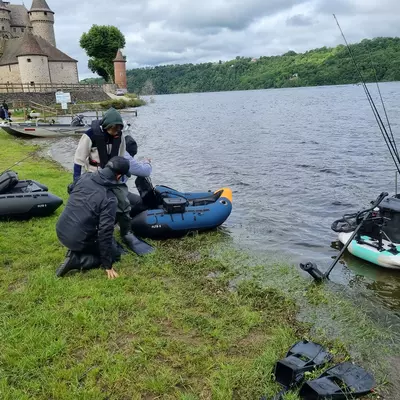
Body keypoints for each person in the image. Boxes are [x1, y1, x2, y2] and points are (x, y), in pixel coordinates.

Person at [71, 107, 153, 255]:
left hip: (112, 176)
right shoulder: (90, 136)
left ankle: (126, 233)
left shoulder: (119, 137)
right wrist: (76, 181)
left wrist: (123, 176)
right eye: (113, 129)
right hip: (93, 175)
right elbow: (78, 160)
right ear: (106, 126)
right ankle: (101, 236)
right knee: (99, 207)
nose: (116, 132)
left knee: (123, 202)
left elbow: (121, 159)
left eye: (118, 129)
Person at [55, 156, 131, 279]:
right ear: (118, 176)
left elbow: (70, 188)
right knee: (115, 254)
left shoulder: (85, 176)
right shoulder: (109, 198)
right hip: (77, 239)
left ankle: (78, 249)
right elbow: (105, 231)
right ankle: (77, 260)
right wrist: (108, 265)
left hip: (61, 229)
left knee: (110, 243)